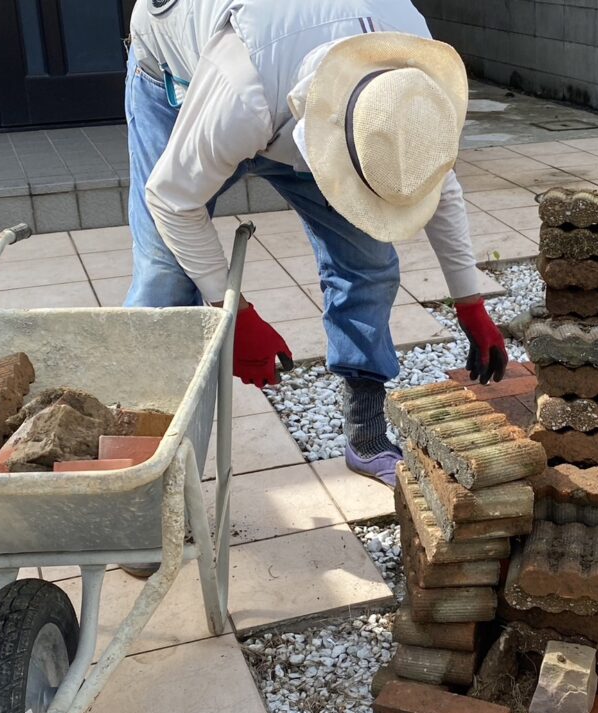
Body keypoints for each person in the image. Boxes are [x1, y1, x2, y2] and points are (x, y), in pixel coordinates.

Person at [125, 0, 508, 489]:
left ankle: (366, 435)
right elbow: (173, 200)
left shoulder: (409, 76)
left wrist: (470, 303)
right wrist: (233, 312)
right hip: (175, 76)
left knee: (368, 263)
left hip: (295, 95)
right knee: (166, 277)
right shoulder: (243, 92)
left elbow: (440, 184)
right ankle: (144, 479)